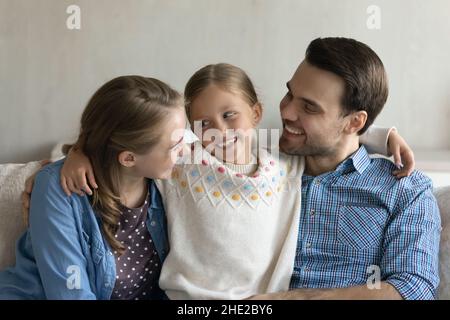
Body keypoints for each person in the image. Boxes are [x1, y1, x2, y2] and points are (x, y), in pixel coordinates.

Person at [51, 63, 415, 299]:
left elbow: (332, 137)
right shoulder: (184, 157)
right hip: (187, 300)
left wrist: (381, 136)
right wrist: (79, 151)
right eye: (204, 123)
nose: (220, 132)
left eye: (230, 115)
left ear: (256, 113)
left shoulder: (282, 156)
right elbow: (125, 142)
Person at [247, 37, 441, 300]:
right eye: (290, 94)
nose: (287, 112)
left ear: (354, 122)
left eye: (308, 107)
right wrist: (377, 136)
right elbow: (191, 141)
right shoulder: (259, 167)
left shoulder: (404, 188)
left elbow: (412, 289)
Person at [0, 76, 186, 299]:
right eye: (176, 146)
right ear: (128, 158)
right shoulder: (60, 190)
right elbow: (69, 293)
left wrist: (76, 151)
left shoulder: (166, 180)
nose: (186, 151)